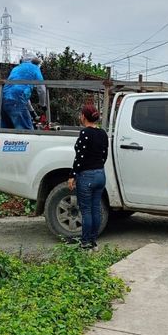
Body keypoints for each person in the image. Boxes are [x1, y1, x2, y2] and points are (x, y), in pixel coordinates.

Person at [68, 105, 109, 250]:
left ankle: (85, 243)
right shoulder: (103, 133)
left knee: (86, 211)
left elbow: (79, 157)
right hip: (100, 174)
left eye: (81, 114)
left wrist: (72, 175)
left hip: (87, 175)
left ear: (84, 117)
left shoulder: (85, 133)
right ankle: (93, 242)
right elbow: (104, 155)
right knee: (95, 209)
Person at [1, 52, 47, 130]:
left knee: (7, 132)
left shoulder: (16, 69)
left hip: (4, 102)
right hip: (17, 103)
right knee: (27, 132)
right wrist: (42, 105)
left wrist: (32, 112)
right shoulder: (35, 68)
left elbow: (22, 95)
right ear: (35, 61)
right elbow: (41, 89)